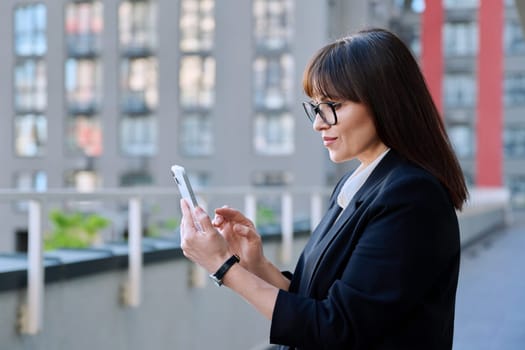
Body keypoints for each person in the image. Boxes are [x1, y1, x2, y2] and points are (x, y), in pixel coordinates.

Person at [179, 28, 468, 350]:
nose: (318, 122)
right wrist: (255, 264)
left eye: (333, 105)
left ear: (385, 102)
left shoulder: (411, 197)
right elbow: (316, 301)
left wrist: (222, 266)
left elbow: (336, 328)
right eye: (316, 107)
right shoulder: (360, 183)